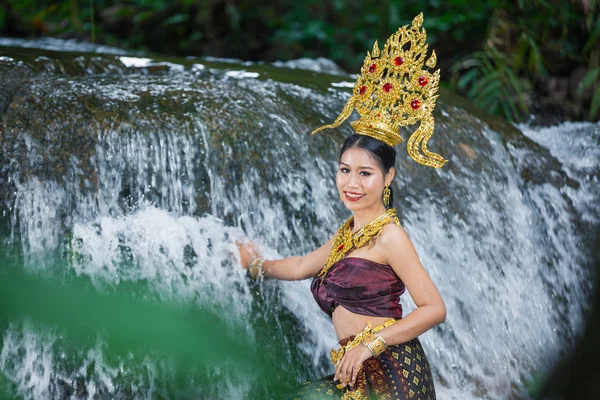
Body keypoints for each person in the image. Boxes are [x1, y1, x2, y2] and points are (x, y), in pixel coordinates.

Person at [238, 13, 447, 400]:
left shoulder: (390, 237)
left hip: (392, 374)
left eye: (365, 173)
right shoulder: (348, 234)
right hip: (359, 375)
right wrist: (254, 264)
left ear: (388, 178)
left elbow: (433, 308)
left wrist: (371, 344)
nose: (351, 183)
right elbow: (301, 266)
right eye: (344, 170)